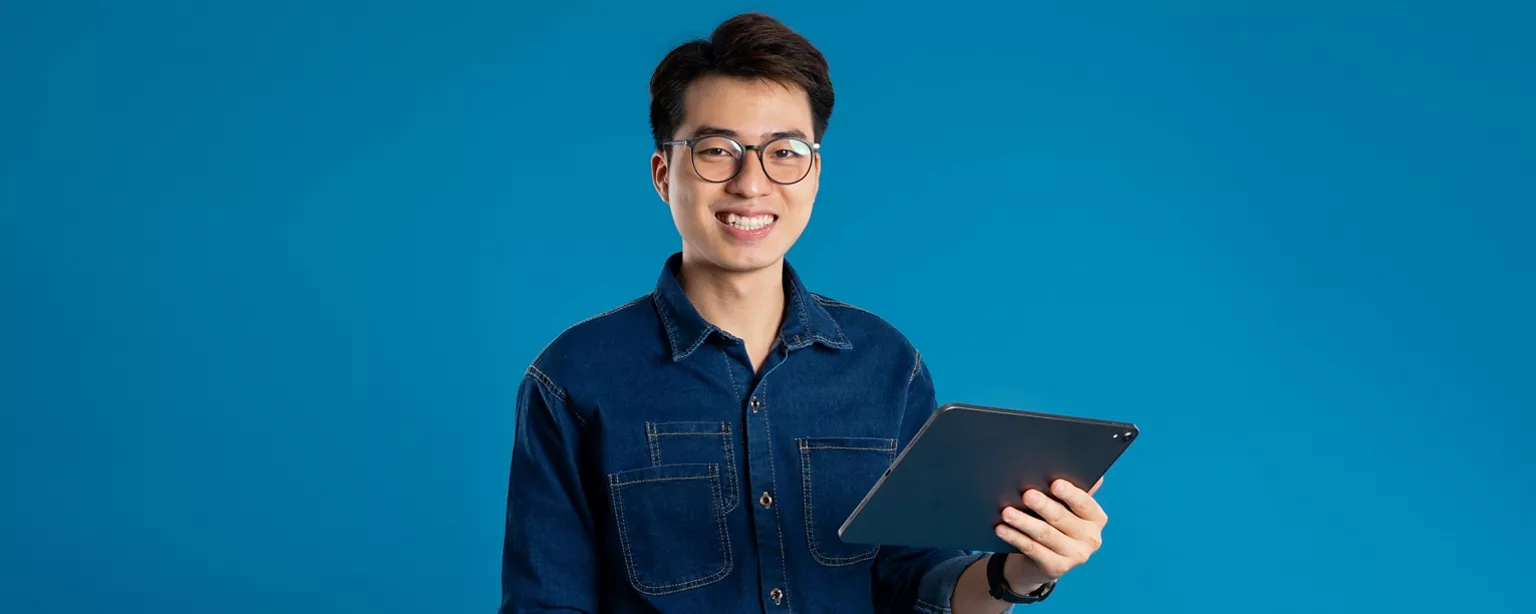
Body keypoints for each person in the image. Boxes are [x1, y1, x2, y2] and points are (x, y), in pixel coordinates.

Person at [499, 12, 1110, 614]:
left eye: (785, 152)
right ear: (664, 175)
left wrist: (1021, 572)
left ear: (814, 174)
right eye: (717, 151)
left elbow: (918, 585)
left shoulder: (887, 365)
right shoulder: (574, 379)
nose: (751, 183)